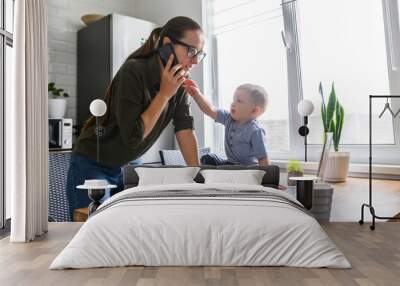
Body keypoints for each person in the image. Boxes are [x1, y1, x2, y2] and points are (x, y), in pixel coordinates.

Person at [66, 16, 206, 219]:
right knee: (92, 227)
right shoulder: (134, 71)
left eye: (199, 54)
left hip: (129, 165)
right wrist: (164, 94)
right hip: (94, 163)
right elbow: (133, 137)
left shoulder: (181, 81)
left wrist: (198, 176)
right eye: (191, 51)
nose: (195, 61)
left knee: (127, 229)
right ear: (167, 45)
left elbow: (184, 128)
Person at [183, 81, 269, 166]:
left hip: (247, 169)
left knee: (240, 169)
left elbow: (263, 158)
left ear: (254, 111)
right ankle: (208, 177)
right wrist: (197, 94)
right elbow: (210, 110)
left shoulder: (255, 131)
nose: (233, 103)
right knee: (208, 158)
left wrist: (265, 178)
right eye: (233, 100)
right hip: (230, 164)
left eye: (238, 101)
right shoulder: (229, 118)